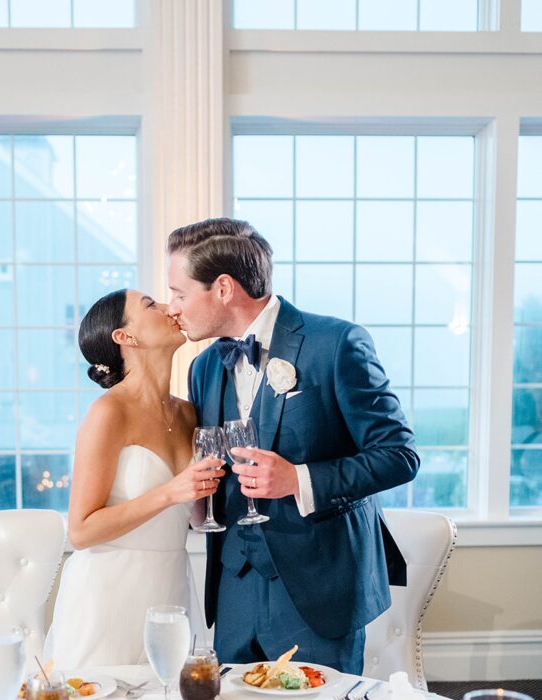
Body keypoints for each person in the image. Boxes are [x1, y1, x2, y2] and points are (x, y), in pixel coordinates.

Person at [167, 217, 420, 674]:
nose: (173, 308)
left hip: (319, 592)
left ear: (223, 288)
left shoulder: (336, 343)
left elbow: (399, 455)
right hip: (234, 593)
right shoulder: (203, 367)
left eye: (180, 293)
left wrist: (298, 479)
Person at [45, 288, 223, 670]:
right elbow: (80, 531)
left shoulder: (191, 413)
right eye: (151, 305)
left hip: (170, 587)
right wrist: (170, 491)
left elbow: (192, 517)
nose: (168, 307)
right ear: (125, 337)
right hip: (109, 590)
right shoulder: (108, 414)